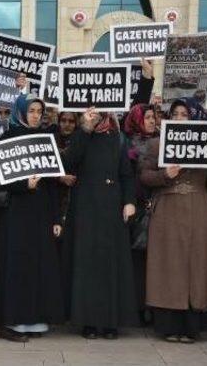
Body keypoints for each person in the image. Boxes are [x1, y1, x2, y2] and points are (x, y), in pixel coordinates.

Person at [139, 99, 207, 343]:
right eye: (176, 113)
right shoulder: (156, 144)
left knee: (195, 265)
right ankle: (168, 326)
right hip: (168, 210)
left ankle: (191, 327)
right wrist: (165, 174)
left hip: (199, 210)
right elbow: (144, 176)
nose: (181, 117)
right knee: (169, 267)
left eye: (185, 114)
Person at [0, 95, 65, 343]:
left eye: (39, 111)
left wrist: (56, 218)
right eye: (31, 110)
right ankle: (10, 322)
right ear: (22, 112)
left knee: (39, 266)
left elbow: (53, 183)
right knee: (17, 267)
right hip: (17, 214)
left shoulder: (46, 140)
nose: (36, 115)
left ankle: (34, 320)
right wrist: (24, 184)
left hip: (42, 213)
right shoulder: (8, 138)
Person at [64, 107, 138, 340]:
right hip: (86, 208)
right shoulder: (80, 135)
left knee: (110, 265)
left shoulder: (117, 138)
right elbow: (69, 161)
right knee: (88, 265)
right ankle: (88, 321)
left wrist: (129, 201)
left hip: (112, 208)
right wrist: (85, 129)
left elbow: (127, 174)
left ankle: (110, 322)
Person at [123, 103, 158, 324]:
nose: (152, 121)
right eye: (147, 117)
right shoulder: (127, 146)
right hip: (136, 207)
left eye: (154, 117)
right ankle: (136, 307)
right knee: (137, 260)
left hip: (159, 205)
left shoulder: (166, 141)